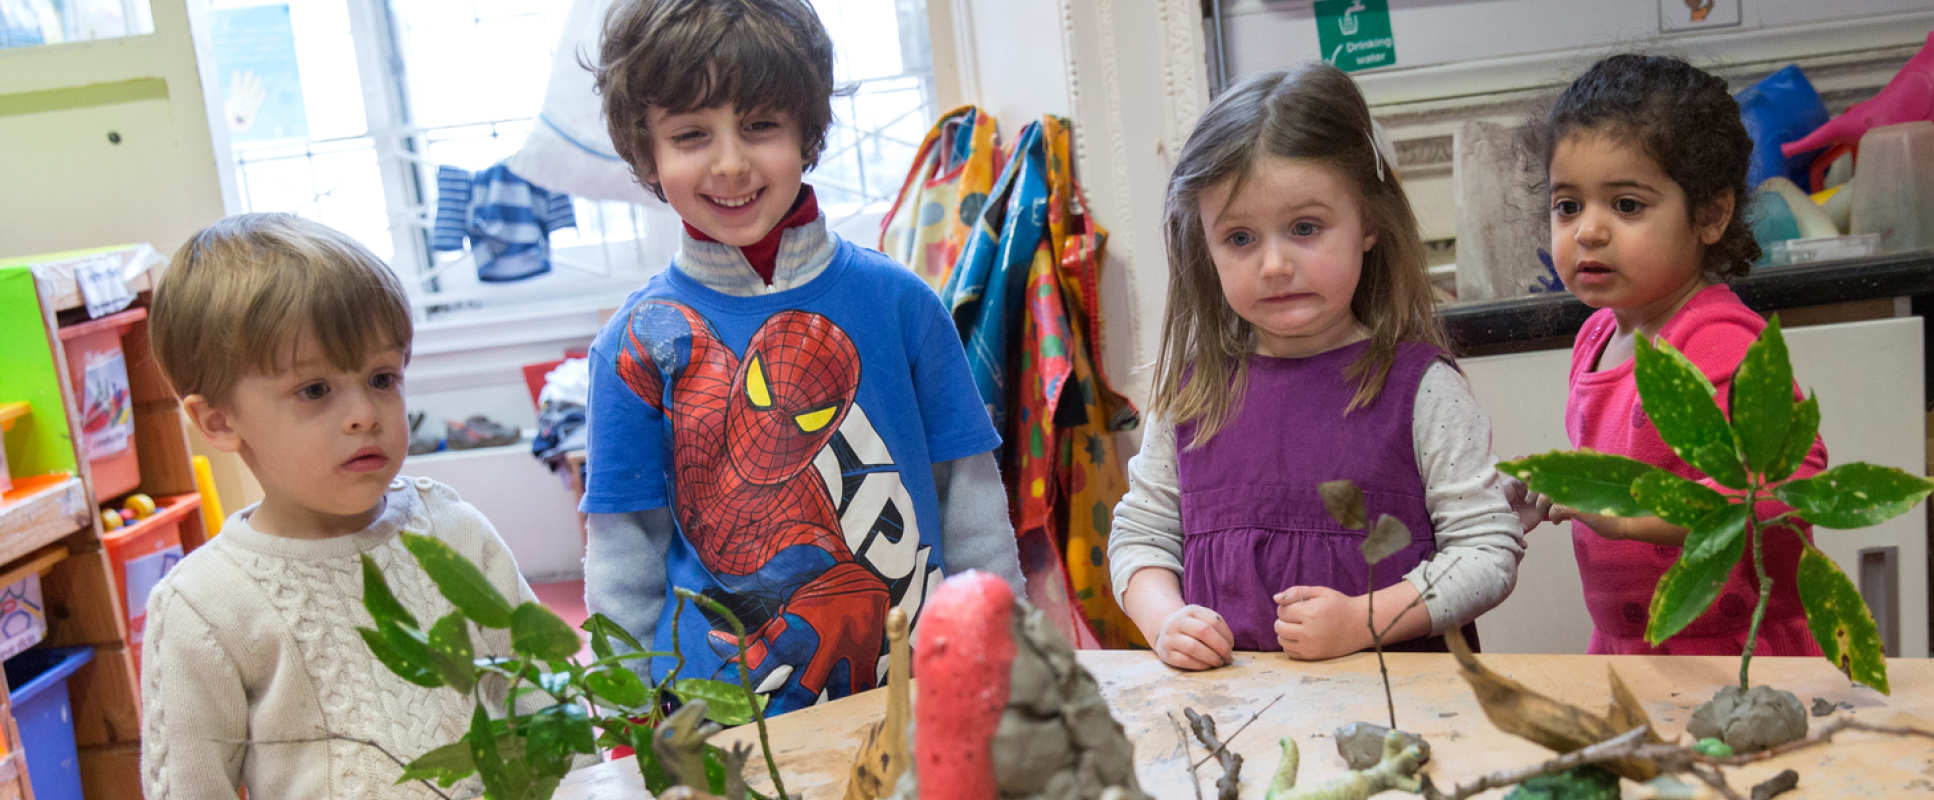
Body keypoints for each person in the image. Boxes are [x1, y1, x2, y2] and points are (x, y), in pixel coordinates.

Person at [580, 0, 1022, 715]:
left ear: (806, 131)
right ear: (646, 151)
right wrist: (624, 714)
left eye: (760, 126)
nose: (730, 163)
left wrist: (1007, 656)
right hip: (719, 726)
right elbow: (623, 555)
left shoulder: (903, 303)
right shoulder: (631, 345)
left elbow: (970, 502)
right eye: (691, 134)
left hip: (917, 697)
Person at [1108, 64, 1527, 671]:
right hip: (1232, 717)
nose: (1274, 264)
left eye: (1305, 227)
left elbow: (1487, 552)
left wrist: (1364, 621)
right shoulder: (1191, 394)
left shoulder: (1424, 389)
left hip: (1398, 716)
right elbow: (1141, 537)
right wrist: (1164, 619)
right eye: (1240, 238)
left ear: (1369, 224)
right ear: (1205, 245)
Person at [140, 213, 535, 798]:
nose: (365, 414)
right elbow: (190, 787)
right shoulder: (203, 604)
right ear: (218, 421)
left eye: (381, 378)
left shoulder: (456, 533)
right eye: (315, 390)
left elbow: (543, 697)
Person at [1529, 54, 1827, 655]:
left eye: (1627, 205)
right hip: (1633, 648)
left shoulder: (1716, 340)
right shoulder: (1595, 340)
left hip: (1735, 655)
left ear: (1710, 214)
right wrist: (1554, 487)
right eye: (1568, 206)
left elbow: (1785, 491)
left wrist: (1628, 516)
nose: (1588, 230)